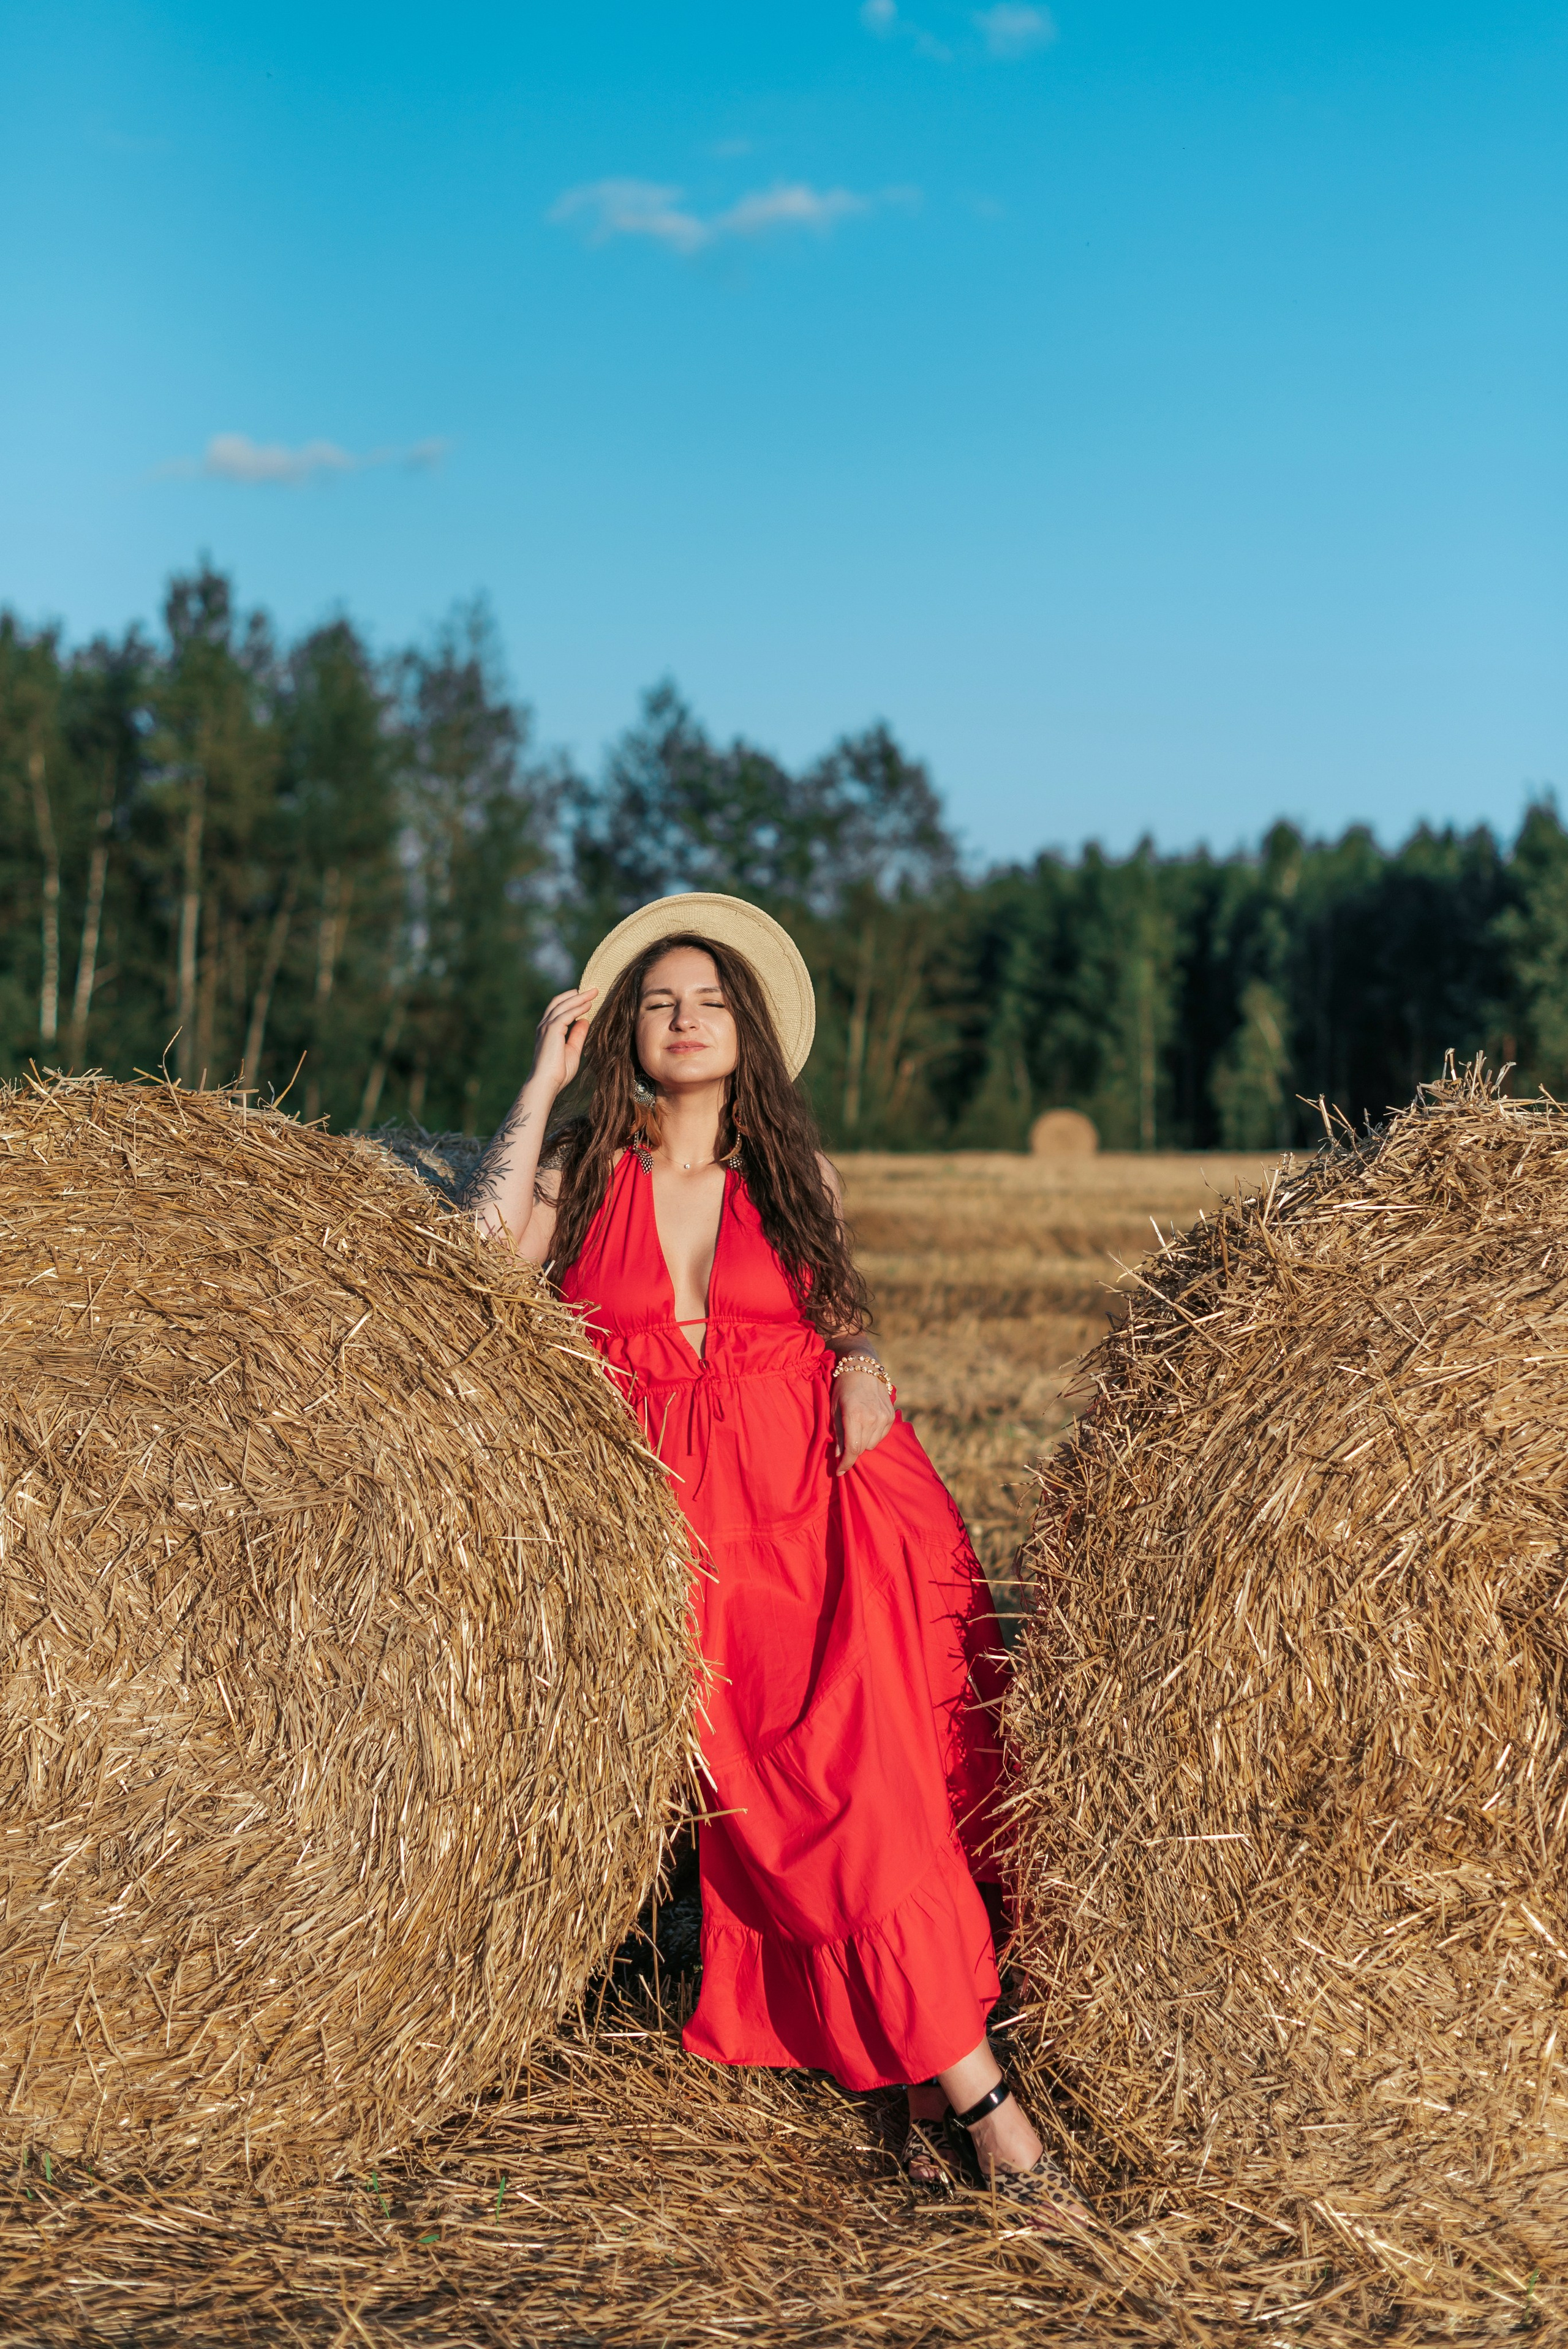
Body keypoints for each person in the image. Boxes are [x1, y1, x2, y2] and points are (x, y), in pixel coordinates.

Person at [469, 891, 1093, 2230]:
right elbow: (474, 1261)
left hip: (827, 1516)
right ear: (625, 1030)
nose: (683, 1018)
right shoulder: (586, 1179)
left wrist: (864, 1368)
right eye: (658, 1000)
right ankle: (931, 2089)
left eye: (705, 1000)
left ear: (744, 1030)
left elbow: (844, 1329)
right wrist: (540, 1078)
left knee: (872, 1799)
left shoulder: (791, 1181)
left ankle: (977, 2102)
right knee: (775, 1819)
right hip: (683, 1556)